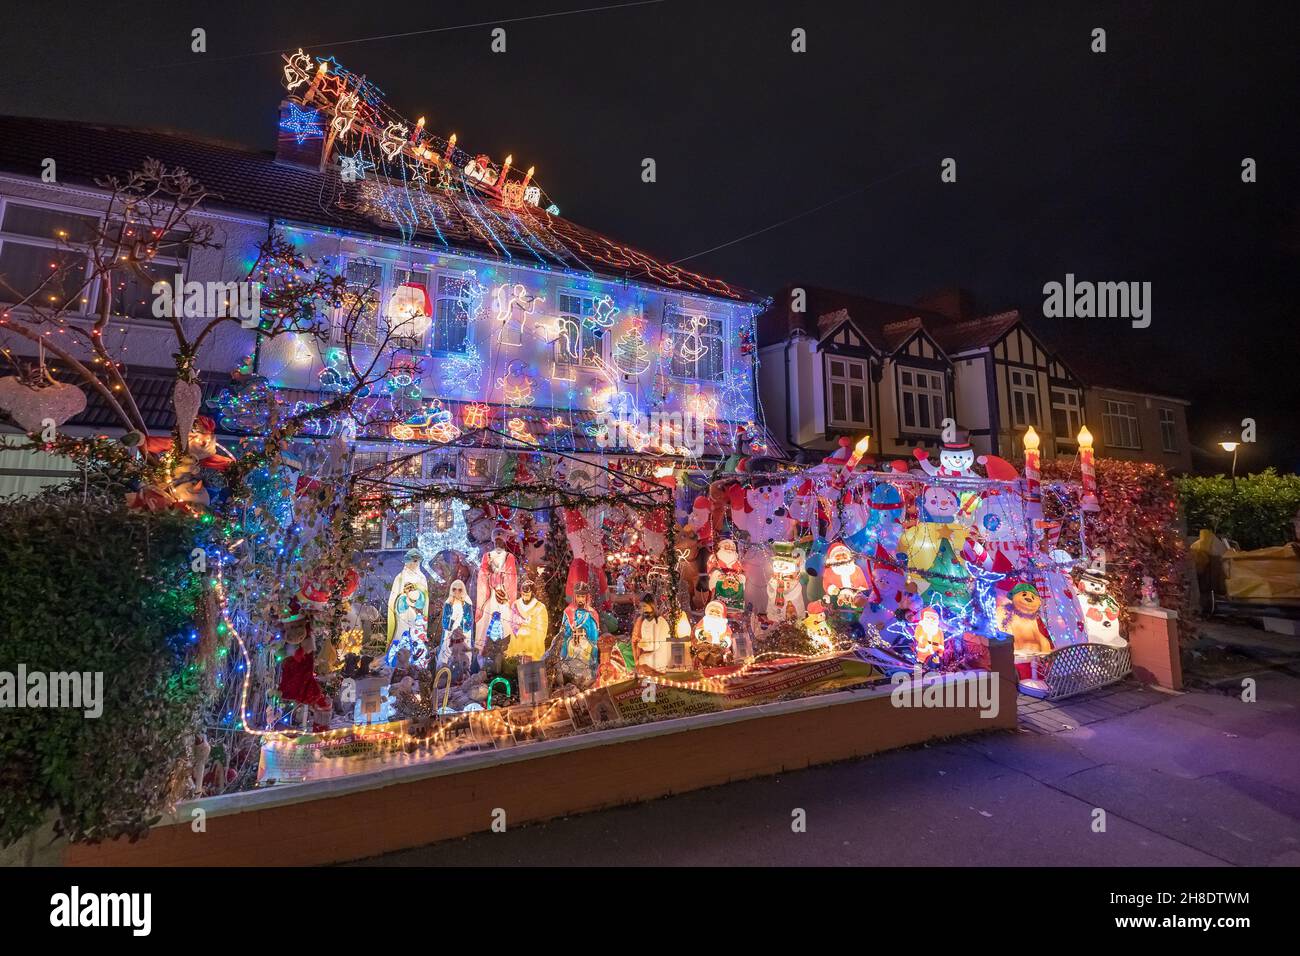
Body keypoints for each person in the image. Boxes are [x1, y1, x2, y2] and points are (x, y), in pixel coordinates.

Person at [385, 549, 430, 668]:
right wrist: (404, 600)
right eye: (411, 561)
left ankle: (417, 662)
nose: (413, 564)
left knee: (415, 637)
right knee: (401, 635)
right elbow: (394, 598)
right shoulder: (400, 578)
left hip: (416, 616)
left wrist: (418, 597)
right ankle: (397, 661)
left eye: (416, 561)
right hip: (403, 614)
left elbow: (424, 598)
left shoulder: (422, 578)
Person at [437, 579, 475, 670]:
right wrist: (452, 620)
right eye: (454, 589)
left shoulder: (467, 604)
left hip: (463, 635)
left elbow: (469, 622)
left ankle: (464, 670)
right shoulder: (448, 604)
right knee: (446, 652)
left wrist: (461, 627)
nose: (457, 592)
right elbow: (445, 623)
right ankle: (444, 671)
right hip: (450, 635)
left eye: (460, 590)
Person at [509, 578, 549, 660]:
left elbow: (542, 629)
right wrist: (518, 629)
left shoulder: (540, 608)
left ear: (533, 594)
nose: (524, 597)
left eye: (527, 595)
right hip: (518, 644)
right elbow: (512, 622)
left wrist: (530, 628)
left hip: (532, 648)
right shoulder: (515, 605)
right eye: (522, 594)